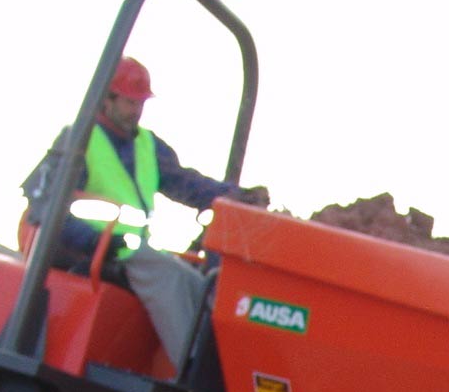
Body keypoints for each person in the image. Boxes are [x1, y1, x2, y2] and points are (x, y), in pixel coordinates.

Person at [21, 57, 269, 368]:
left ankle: (218, 361)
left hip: (127, 251)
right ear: (107, 99)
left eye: (140, 103)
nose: (136, 110)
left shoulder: (147, 146)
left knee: (194, 279)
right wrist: (97, 242)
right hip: (82, 252)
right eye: (129, 102)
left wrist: (236, 197)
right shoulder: (79, 141)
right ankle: (191, 367)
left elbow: (185, 183)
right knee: (166, 275)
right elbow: (46, 207)